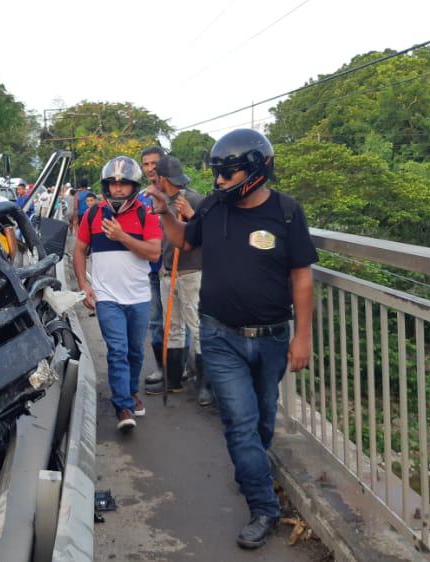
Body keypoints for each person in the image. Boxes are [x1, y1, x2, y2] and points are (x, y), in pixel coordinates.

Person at [147, 129, 317, 549]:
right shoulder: (216, 208)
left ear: (256, 170)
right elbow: (184, 240)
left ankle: (252, 472)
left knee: (262, 416)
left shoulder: (288, 213)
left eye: (228, 174)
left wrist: (303, 338)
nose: (220, 182)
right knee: (239, 423)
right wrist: (166, 212)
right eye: (218, 175)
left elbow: (302, 278)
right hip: (220, 336)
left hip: (275, 337)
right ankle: (264, 509)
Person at [74, 156, 162, 431]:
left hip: (138, 297)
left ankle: (132, 392)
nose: (117, 189)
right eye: (113, 184)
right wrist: (83, 285)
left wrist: (122, 236)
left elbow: (154, 252)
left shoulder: (145, 214)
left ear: (133, 186)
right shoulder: (92, 214)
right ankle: (123, 405)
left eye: (123, 184)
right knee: (118, 350)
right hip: (106, 297)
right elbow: (79, 250)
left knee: (135, 351)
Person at [153, 156, 210, 404]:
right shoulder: (161, 201)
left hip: (191, 272)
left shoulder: (193, 198)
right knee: (172, 327)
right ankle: (174, 379)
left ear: (163, 178)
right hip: (168, 271)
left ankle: (204, 385)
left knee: (196, 327)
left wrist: (191, 215)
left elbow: (209, 234)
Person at [138, 146, 168, 394]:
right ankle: (162, 368)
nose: (150, 168)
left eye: (154, 163)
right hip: (150, 269)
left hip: (176, 268)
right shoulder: (140, 198)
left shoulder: (175, 192)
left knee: (180, 322)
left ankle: (181, 369)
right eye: (145, 164)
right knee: (156, 321)